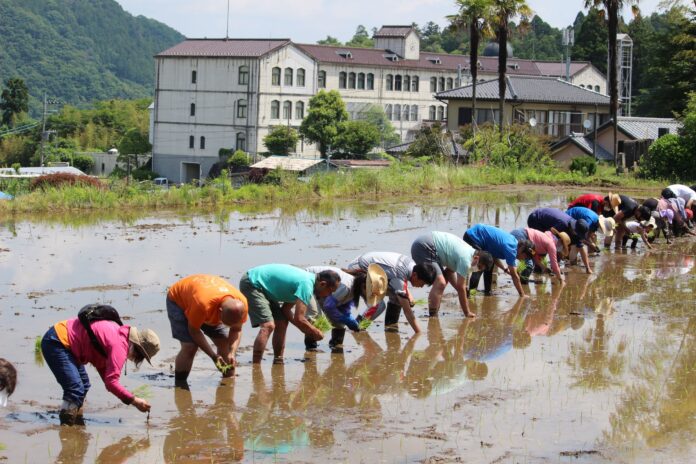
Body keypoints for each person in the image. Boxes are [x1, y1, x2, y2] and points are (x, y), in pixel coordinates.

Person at [40, 307, 160, 425]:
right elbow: (111, 382)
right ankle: (67, 429)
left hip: (65, 340)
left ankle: (76, 420)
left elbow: (105, 373)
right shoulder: (119, 346)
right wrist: (135, 401)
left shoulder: (120, 334)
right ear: (139, 350)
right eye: (142, 357)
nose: (137, 359)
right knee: (75, 388)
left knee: (84, 385)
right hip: (57, 342)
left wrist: (120, 391)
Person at [240, 264, 339, 364]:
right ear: (322, 284)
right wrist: (314, 331)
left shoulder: (306, 283)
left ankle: (278, 360)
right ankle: (256, 366)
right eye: (330, 291)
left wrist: (304, 328)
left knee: (282, 321)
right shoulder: (306, 285)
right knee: (268, 325)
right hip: (252, 283)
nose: (329, 295)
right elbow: (299, 318)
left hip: (265, 289)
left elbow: (286, 310)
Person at [166, 274, 249, 387]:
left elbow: (236, 330)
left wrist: (232, 353)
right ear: (220, 312)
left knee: (224, 343)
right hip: (179, 301)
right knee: (190, 346)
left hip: (205, 298)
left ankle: (228, 380)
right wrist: (213, 356)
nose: (225, 326)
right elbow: (194, 331)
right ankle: (180, 384)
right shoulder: (202, 305)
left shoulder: (241, 305)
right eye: (224, 322)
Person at [344, 252, 437, 333]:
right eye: (423, 283)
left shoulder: (412, 266)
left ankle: (390, 326)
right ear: (415, 275)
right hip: (358, 270)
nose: (421, 286)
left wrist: (409, 295)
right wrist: (418, 333)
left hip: (373, 272)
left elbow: (399, 281)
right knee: (379, 306)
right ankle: (358, 326)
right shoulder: (399, 274)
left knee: (397, 298)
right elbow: (407, 311)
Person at [304, 264, 387, 353]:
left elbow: (342, 307)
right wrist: (347, 320)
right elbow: (328, 306)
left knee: (339, 323)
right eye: (369, 294)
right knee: (315, 314)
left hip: (323, 288)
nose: (368, 297)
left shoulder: (354, 289)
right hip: (308, 280)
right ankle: (311, 347)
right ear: (364, 287)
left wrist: (348, 318)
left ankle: (336, 344)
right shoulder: (346, 287)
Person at [410, 231, 494, 318]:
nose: (478, 269)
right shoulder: (465, 260)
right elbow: (461, 288)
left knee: (442, 281)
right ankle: (433, 317)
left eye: (480, 269)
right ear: (476, 258)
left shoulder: (469, 253)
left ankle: (434, 313)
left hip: (429, 246)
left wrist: (461, 289)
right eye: (479, 266)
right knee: (440, 282)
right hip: (424, 247)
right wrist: (467, 312)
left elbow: (449, 273)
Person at [463, 223, 533, 297]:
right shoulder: (511, 250)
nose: (523, 260)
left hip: (479, 236)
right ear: (522, 249)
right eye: (525, 257)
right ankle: (471, 295)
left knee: (489, 264)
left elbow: (493, 257)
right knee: (479, 267)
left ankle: (487, 292)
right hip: (473, 237)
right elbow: (515, 276)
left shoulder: (514, 243)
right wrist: (522, 294)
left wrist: (505, 269)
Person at [527, 208, 593, 274]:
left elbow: (581, 249)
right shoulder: (562, 224)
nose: (578, 236)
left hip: (547, 222)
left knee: (556, 245)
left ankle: (551, 267)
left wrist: (588, 268)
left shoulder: (577, 227)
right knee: (542, 246)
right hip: (536, 219)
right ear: (574, 229)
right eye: (578, 234)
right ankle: (537, 268)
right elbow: (549, 240)